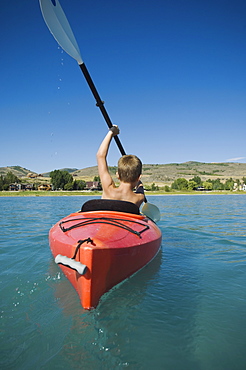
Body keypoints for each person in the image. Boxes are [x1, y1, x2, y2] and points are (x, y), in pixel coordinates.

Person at [96, 125, 145, 208]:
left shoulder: (109, 189)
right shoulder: (139, 198)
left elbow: (100, 156)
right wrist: (139, 183)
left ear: (117, 175)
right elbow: (140, 188)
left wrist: (111, 132)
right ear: (139, 177)